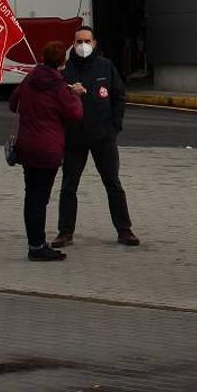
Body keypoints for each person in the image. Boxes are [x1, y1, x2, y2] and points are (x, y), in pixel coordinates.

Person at [51, 26, 139, 249]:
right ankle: (65, 232)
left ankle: (124, 230)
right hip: (74, 138)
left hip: (103, 137)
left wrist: (114, 127)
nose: (83, 46)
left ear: (94, 43)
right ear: (73, 43)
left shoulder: (105, 66)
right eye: (79, 41)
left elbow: (119, 97)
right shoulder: (65, 70)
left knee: (113, 183)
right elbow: (55, 101)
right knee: (69, 186)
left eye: (87, 41)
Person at [9, 40, 83, 261]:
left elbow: (14, 104)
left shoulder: (30, 78)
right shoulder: (60, 87)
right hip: (48, 149)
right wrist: (76, 95)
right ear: (63, 62)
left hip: (27, 147)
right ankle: (38, 247)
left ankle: (34, 243)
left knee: (31, 196)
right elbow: (75, 114)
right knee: (40, 198)